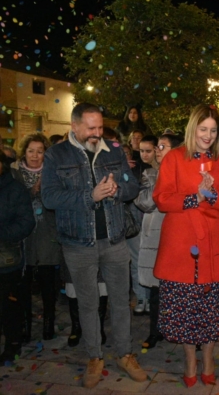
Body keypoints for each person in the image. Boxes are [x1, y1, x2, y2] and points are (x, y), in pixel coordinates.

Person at [41, 103, 146, 389]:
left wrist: (117, 190)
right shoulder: (56, 154)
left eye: (100, 127)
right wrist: (91, 195)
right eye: (91, 128)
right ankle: (94, 356)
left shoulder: (112, 149)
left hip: (114, 239)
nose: (97, 133)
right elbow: (50, 198)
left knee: (121, 302)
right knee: (88, 304)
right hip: (78, 243)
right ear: (74, 126)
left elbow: (132, 186)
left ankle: (124, 353)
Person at [152, 104, 219, 388]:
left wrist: (211, 195)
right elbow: (162, 198)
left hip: (214, 243)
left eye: (214, 130)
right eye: (203, 129)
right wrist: (194, 198)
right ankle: (190, 360)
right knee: (184, 307)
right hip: (181, 243)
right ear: (193, 128)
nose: (209, 135)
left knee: (212, 308)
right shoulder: (174, 158)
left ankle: (210, 358)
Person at [11, 133, 63, 342]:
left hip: (47, 234)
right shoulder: (13, 173)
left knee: (48, 283)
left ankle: (48, 323)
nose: (35, 155)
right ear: (24, 152)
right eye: (31, 151)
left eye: (40, 151)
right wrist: (32, 191)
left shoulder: (52, 172)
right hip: (22, 237)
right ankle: (25, 326)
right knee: (23, 285)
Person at [134, 133, 183, 350]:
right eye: (158, 146)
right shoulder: (150, 173)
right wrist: (162, 178)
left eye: (164, 146)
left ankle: (178, 328)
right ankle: (155, 331)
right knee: (156, 287)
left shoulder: (186, 174)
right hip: (155, 234)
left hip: (178, 233)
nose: (158, 150)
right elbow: (145, 203)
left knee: (178, 286)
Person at [0, 149, 35, 363]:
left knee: (8, 305)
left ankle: (12, 343)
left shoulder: (14, 189)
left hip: (6, 258)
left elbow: (26, 222)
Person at [128, 135, 158, 316]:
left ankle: (151, 297)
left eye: (149, 151)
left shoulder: (160, 169)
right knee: (136, 261)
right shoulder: (134, 168)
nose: (144, 155)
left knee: (151, 262)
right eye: (141, 151)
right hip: (136, 219)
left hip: (153, 221)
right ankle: (141, 297)